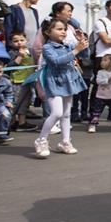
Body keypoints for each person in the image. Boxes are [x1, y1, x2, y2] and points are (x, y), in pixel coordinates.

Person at [34, 18, 89, 158]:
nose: (63, 32)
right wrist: (76, 50)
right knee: (57, 113)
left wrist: (82, 43)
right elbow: (56, 62)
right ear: (48, 32)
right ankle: (41, 140)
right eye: (59, 29)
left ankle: (65, 142)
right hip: (54, 82)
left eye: (64, 29)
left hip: (68, 81)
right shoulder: (47, 48)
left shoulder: (68, 46)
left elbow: (85, 55)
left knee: (66, 114)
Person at [87, 53, 111, 133]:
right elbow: (98, 81)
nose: (102, 62)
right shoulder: (100, 72)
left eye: (105, 60)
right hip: (101, 97)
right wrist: (109, 79)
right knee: (96, 111)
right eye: (102, 60)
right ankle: (92, 124)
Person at [6, 31, 37, 131]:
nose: (19, 42)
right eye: (16, 41)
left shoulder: (30, 51)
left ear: (26, 40)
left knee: (25, 102)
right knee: (15, 102)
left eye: (21, 40)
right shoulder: (12, 53)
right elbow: (11, 67)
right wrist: (19, 56)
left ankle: (22, 122)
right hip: (16, 81)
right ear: (11, 43)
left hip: (28, 80)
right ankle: (10, 122)